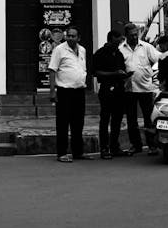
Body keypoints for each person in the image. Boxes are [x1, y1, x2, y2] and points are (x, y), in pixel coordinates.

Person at [48, 26, 91, 163]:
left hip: (79, 91)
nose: (70, 38)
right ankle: (62, 153)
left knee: (78, 123)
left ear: (79, 38)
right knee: (63, 123)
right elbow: (52, 70)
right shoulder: (59, 49)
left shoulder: (82, 50)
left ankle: (78, 152)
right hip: (64, 91)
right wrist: (52, 91)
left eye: (73, 36)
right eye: (69, 36)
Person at [121, 22, 161, 156]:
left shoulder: (146, 47)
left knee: (149, 119)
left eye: (135, 34)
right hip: (129, 90)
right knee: (131, 120)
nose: (134, 37)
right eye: (131, 35)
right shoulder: (121, 49)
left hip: (146, 89)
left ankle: (152, 145)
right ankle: (135, 145)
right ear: (126, 35)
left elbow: (159, 59)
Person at [92, 29, 131, 159]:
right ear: (110, 39)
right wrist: (114, 74)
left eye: (120, 40)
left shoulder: (119, 54)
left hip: (119, 90)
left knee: (117, 119)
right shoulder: (100, 53)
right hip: (106, 89)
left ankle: (115, 147)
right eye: (117, 39)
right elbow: (95, 72)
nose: (120, 42)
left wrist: (125, 76)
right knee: (105, 119)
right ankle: (104, 148)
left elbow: (122, 70)